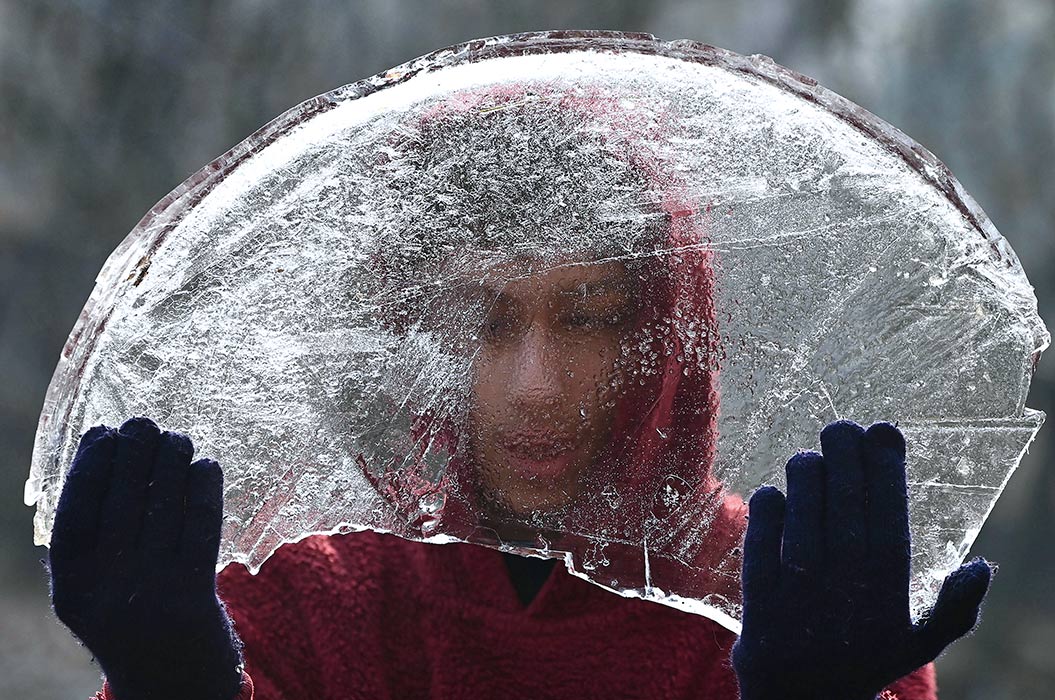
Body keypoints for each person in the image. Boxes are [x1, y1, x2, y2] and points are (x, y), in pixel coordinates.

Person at [46, 86, 991, 700]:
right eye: (482, 322)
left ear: (661, 337)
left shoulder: (781, 597)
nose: (534, 388)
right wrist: (171, 684)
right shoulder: (307, 600)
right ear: (412, 333)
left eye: (586, 318)